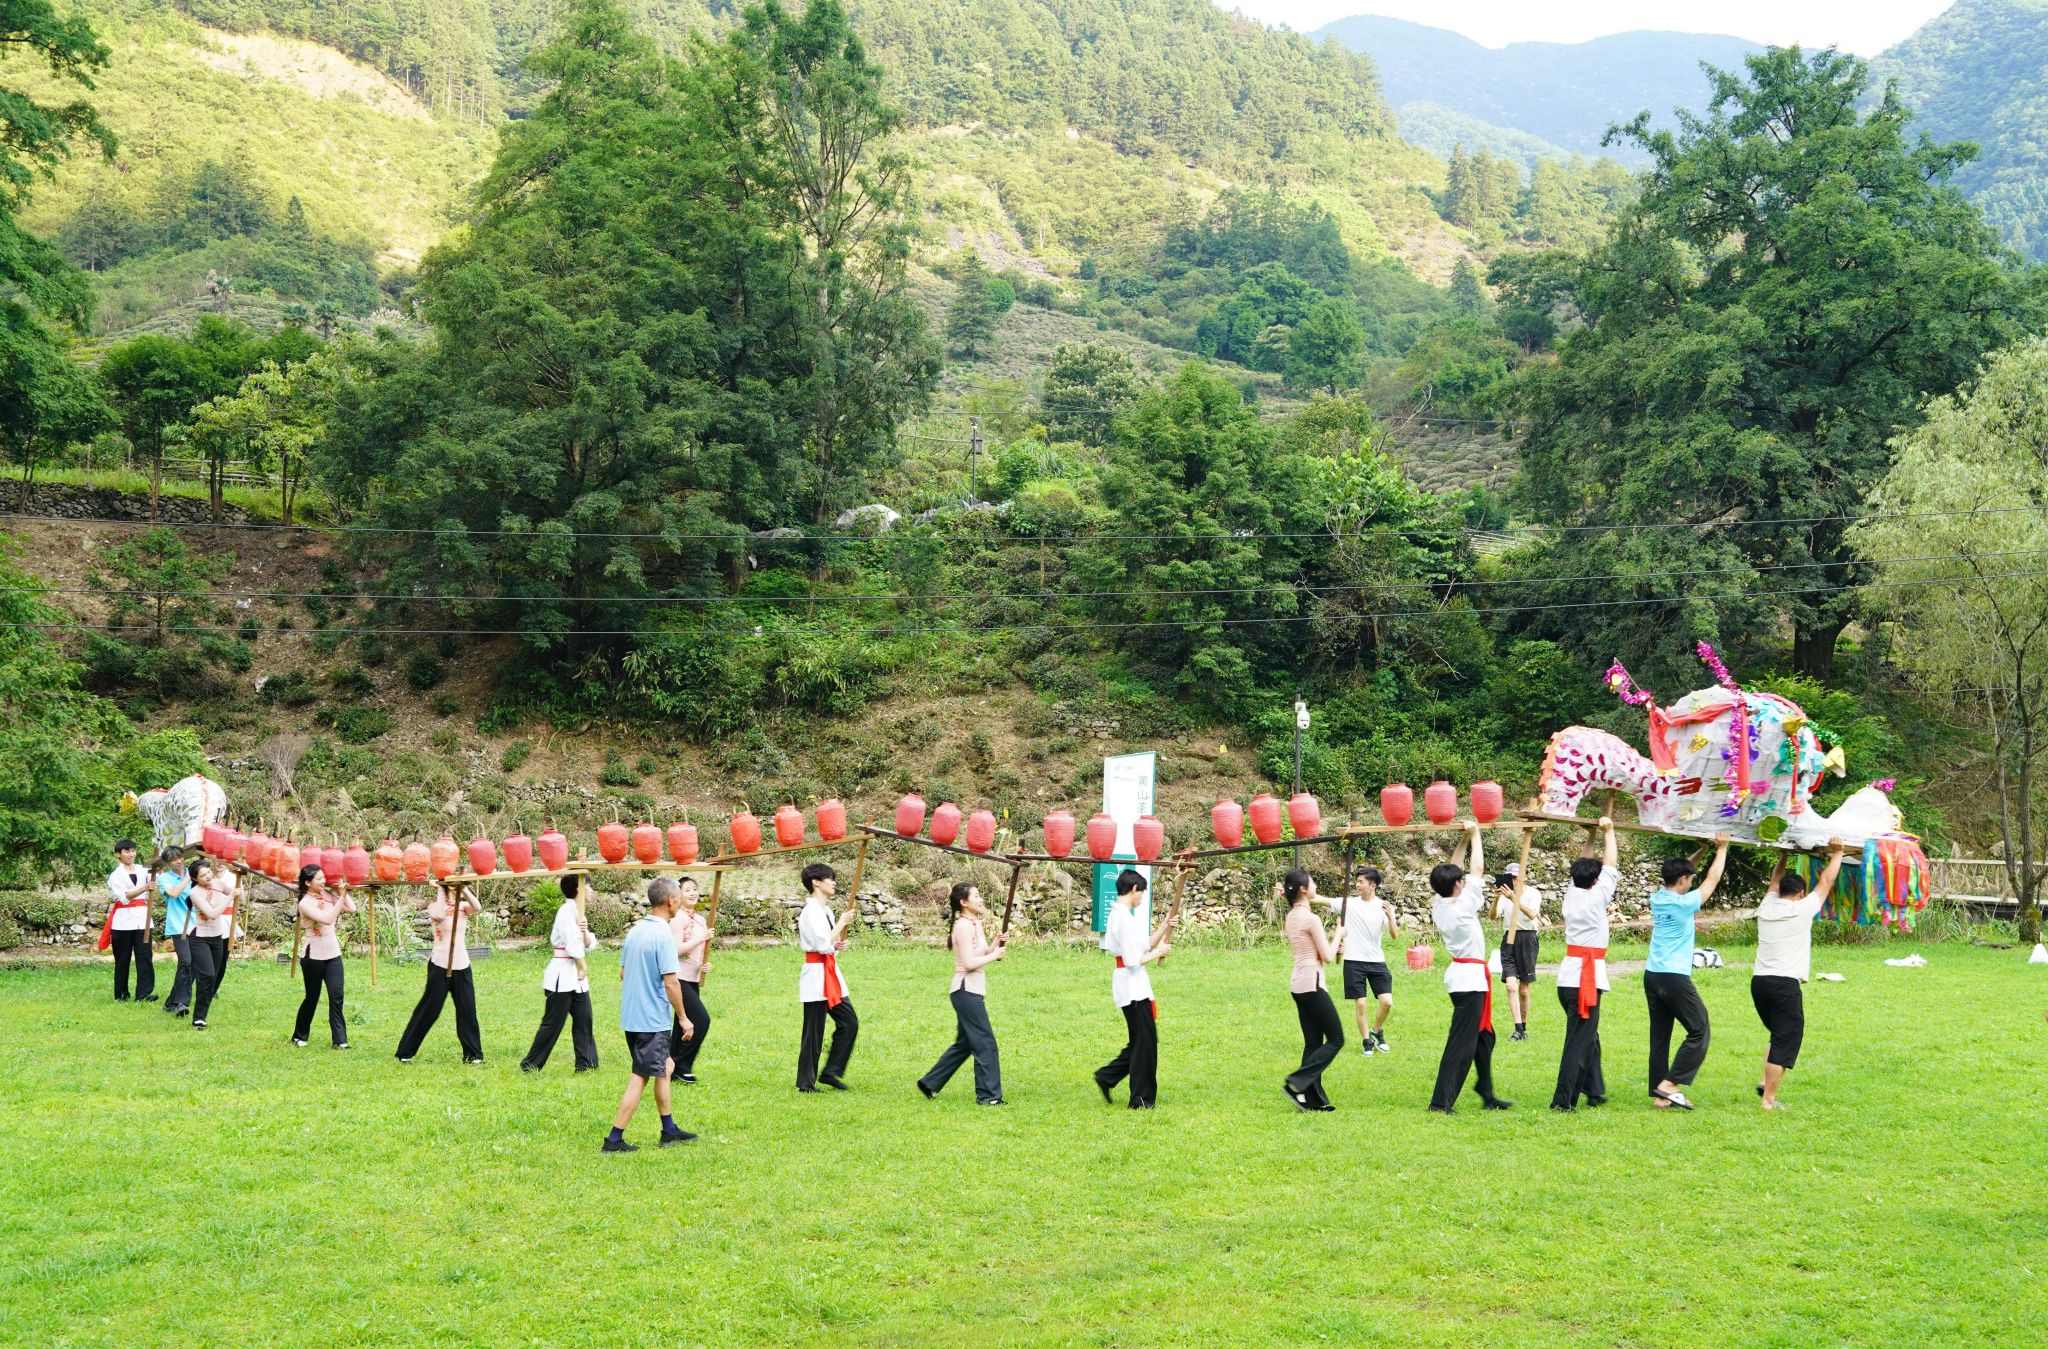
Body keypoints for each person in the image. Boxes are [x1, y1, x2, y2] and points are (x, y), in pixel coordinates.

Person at [604, 878, 696, 1152]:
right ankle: (614, 1139)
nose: (680, 901)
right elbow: (671, 982)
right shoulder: (663, 935)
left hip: (632, 1017)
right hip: (651, 1021)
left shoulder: (635, 931)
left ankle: (669, 1130)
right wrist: (683, 1018)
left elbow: (623, 973)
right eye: (679, 897)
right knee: (641, 1075)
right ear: (670, 900)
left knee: (665, 1067)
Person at [1753, 842, 1846, 1111]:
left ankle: (1764, 1081)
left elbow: (1774, 879)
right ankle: (1769, 1101)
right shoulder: (1802, 909)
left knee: (1778, 1033)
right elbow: (1827, 881)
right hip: (1784, 984)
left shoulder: (1767, 906)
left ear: (1780, 891)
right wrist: (1838, 853)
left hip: (1759, 982)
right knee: (1786, 1038)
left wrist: (1783, 853)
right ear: (1801, 893)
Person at [1427, 823, 1512, 1114]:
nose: (1464, 881)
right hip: (1469, 981)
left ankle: (1486, 1092)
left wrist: (1463, 839)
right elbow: (1477, 870)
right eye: (1460, 880)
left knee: (1485, 1037)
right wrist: (1476, 834)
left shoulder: (1440, 902)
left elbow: (1456, 869)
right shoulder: (1463, 907)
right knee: (1461, 1043)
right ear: (1456, 885)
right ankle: (1441, 1102)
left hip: (1466, 977)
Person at [1643, 835, 1732, 1110]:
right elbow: (1712, 879)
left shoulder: (1658, 897)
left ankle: (1660, 1095)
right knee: (1699, 1029)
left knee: (1660, 1035)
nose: (1692, 881)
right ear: (1682, 879)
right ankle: (1670, 1084)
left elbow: (1683, 871)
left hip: (1652, 974)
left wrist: (1702, 850)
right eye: (1690, 878)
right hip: (1673, 977)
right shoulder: (1684, 904)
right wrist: (1722, 849)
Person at [917, 881, 1008, 1104]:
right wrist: (994, 956)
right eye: (975, 896)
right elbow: (968, 964)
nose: (980, 899)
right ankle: (988, 1097)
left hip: (971, 991)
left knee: (966, 1043)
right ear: (963, 902)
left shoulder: (974, 923)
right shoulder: (963, 927)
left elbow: (980, 954)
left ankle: (929, 1082)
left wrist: (995, 944)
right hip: (965, 991)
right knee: (985, 1043)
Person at [1552, 819, 1619, 1111]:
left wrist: (1591, 836)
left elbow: (1582, 867)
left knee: (1587, 1037)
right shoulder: (1596, 898)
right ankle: (1562, 1101)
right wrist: (1609, 831)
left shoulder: (1572, 894)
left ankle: (1594, 1090)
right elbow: (1611, 865)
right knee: (1577, 1044)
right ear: (1595, 881)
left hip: (1568, 979)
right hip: (1585, 981)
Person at [1093, 868, 1172, 1109]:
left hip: (1132, 984)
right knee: (1144, 1044)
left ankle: (1107, 1076)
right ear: (1134, 889)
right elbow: (1132, 961)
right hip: (1132, 987)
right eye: (1142, 893)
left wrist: (1164, 927)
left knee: (1141, 1041)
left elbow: (1143, 946)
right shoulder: (1123, 919)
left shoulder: (1123, 915)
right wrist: (1159, 953)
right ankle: (1141, 1099)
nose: (1141, 898)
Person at [396, 884, 484, 1065]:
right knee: (429, 1010)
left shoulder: (462, 907)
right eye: (450, 885)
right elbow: (439, 915)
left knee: (467, 1010)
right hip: (440, 965)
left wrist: (464, 889)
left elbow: (477, 907)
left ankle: (473, 1055)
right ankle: (405, 1052)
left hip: (462, 965)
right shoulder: (434, 907)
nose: (453, 888)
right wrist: (441, 889)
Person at [521, 873, 599, 1074]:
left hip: (577, 979)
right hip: (563, 974)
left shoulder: (578, 912)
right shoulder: (566, 911)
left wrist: (585, 931)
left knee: (584, 1019)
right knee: (552, 1023)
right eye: (589, 886)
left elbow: (588, 943)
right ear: (579, 889)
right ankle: (530, 1064)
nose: (592, 891)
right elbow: (572, 944)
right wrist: (582, 965)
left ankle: (587, 1064)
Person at [1283, 868, 1344, 1112]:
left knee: (1313, 1043)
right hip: (1312, 983)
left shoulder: (1292, 916)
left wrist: (1334, 946)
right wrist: (1339, 934)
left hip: (1298, 984)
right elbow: (1327, 956)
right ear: (1303, 889)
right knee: (1336, 1039)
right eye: (1312, 882)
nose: (1316, 885)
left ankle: (1313, 1100)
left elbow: (1316, 950)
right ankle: (1296, 1083)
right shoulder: (1311, 919)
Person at [796, 862, 857, 1092]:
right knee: (813, 1031)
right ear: (816, 882)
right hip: (815, 975)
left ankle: (831, 1072)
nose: (834, 883)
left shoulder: (826, 911)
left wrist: (837, 945)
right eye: (829, 878)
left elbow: (828, 945)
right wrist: (841, 924)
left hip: (830, 973)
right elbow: (822, 945)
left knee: (849, 1022)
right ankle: (806, 1083)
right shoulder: (810, 911)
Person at [293, 864, 357, 1049]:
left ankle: (340, 1040)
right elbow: (327, 919)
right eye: (319, 879)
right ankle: (299, 1035)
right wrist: (341, 897)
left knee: (337, 996)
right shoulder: (304, 903)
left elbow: (351, 908)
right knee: (312, 997)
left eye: (324, 877)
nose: (323, 881)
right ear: (308, 882)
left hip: (333, 954)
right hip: (313, 956)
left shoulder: (328, 895)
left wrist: (339, 891)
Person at [1339, 866, 1397, 1055]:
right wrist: (1293, 892)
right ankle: (1367, 1041)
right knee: (1361, 1003)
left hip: (1376, 961)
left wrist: (1390, 917)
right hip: (1354, 961)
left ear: (1372, 885)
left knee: (1387, 1002)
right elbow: (1319, 899)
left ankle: (1376, 1032)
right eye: (1356, 881)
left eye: (1360, 882)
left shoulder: (1383, 906)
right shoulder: (1349, 904)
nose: (1357, 885)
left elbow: (1395, 935)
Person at [1492, 863, 1543, 1041]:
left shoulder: (1533, 893)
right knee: (1510, 986)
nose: (1513, 881)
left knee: (1523, 990)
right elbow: (1492, 916)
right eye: (1510, 877)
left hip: (1527, 938)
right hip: (1509, 938)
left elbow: (1532, 914)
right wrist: (1496, 899)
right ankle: (1518, 1028)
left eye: (1516, 877)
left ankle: (1524, 1028)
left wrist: (1514, 898)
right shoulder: (1504, 895)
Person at [669, 876, 712, 1085]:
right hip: (679, 977)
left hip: (693, 977)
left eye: (695, 889)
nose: (693, 893)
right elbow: (675, 950)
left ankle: (670, 1066)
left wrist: (704, 965)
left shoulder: (701, 920)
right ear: (678, 894)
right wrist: (701, 938)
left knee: (681, 1024)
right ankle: (682, 1065)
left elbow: (697, 952)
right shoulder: (677, 918)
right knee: (701, 1020)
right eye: (687, 890)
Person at [104, 839, 156, 1003]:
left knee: (145, 957)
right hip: (122, 922)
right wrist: (144, 888)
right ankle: (121, 994)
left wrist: (158, 865)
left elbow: (156, 875)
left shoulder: (143, 869)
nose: (131, 854)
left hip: (143, 920)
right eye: (127, 851)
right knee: (122, 959)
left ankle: (144, 994)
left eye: (133, 851)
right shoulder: (115, 876)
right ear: (118, 854)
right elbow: (124, 897)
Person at [187, 860, 234, 1029]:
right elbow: (212, 914)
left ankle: (202, 1015)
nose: (208, 876)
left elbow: (240, 897)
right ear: (195, 878)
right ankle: (198, 1018)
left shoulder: (219, 883)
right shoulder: (194, 892)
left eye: (208, 872)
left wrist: (240, 881)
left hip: (217, 937)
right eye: (203, 875)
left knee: (212, 977)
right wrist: (230, 896)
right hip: (200, 937)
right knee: (206, 974)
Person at [158, 849, 195, 1018]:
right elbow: (173, 893)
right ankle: (182, 1003)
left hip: (197, 925)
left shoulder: (195, 873)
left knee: (193, 964)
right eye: (174, 860)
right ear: (167, 863)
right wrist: (189, 877)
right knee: (186, 961)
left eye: (180, 857)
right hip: (179, 925)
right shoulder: (164, 878)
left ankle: (171, 1002)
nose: (179, 861)